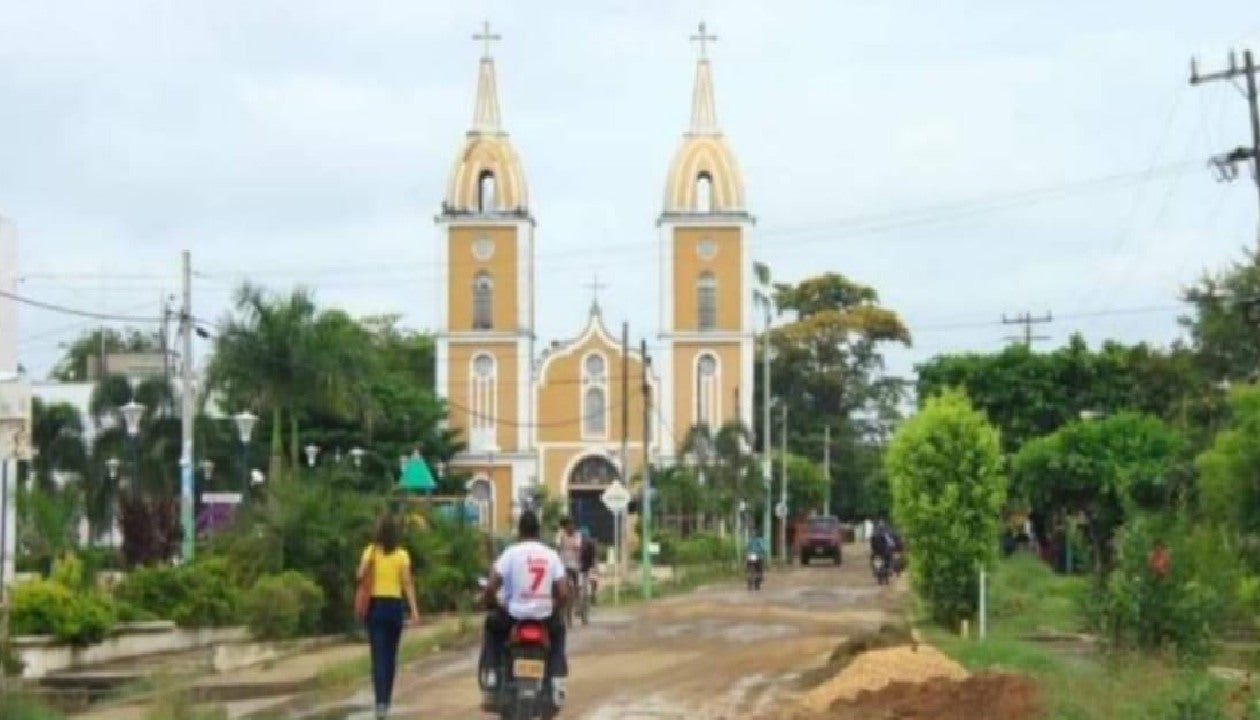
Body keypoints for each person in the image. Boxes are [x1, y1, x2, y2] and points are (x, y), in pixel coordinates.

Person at [481, 510, 570, 708]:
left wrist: (493, 604)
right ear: (538, 532)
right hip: (544, 617)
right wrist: (553, 607)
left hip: (514, 616)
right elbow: (563, 593)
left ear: (519, 532)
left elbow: (490, 587)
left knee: (491, 626)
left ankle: (494, 675)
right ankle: (556, 679)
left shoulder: (511, 553)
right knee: (559, 631)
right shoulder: (551, 555)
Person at [356, 512, 421, 720]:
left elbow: (359, 575)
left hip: (375, 607)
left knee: (378, 657)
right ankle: (387, 701)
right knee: (391, 657)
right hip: (394, 607)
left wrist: (368, 565)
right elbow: (407, 584)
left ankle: (380, 702)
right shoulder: (402, 556)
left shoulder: (370, 552)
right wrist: (414, 610)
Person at [555, 517, 583, 598]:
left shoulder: (577, 535)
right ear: (565, 527)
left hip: (575, 563)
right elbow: (558, 547)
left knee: (576, 582)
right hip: (563, 563)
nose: (571, 527)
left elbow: (578, 548)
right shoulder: (561, 534)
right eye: (568, 526)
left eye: (572, 525)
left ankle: (577, 598)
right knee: (563, 582)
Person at [578, 526, 599, 605]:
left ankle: (593, 595)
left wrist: (595, 567)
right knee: (579, 585)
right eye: (583, 536)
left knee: (594, 580)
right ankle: (578, 602)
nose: (584, 538)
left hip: (589, 565)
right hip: (580, 567)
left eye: (585, 536)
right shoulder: (578, 544)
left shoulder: (592, 544)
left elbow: (594, 557)